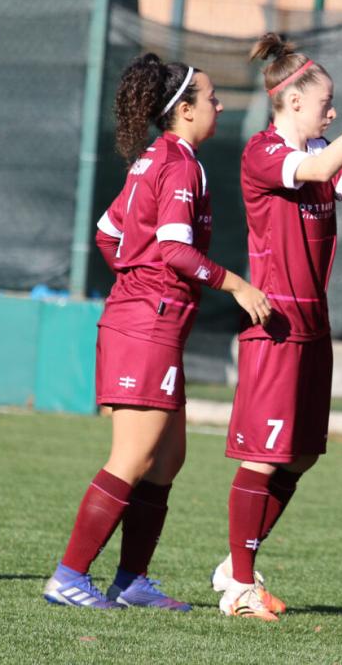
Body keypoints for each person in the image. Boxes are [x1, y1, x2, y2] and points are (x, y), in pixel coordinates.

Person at [44, 54, 270, 611]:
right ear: (185, 110)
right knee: (131, 458)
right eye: (212, 97)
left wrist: (134, 275)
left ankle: (131, 581)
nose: (219, 105)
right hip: (146, 324)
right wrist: (235, 284)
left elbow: (107, 233)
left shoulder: (157, 157)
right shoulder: (179, 164)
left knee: (167, 459)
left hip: (151, 321)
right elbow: (172, 248)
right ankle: (69, 576)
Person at [211, 33, 342, 621]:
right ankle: (242, 586)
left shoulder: (322, 148)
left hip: (313, 324)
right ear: (293, 102)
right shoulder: (264, 152)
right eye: (327, 102)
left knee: (300, 455)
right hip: (274, 323)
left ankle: (235, 564)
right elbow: (320, 166)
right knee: (264, 456)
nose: (332, 110)